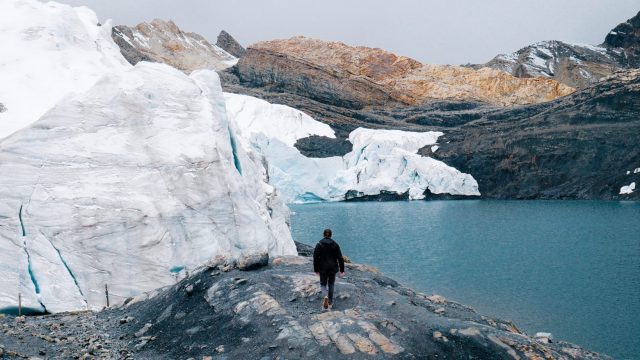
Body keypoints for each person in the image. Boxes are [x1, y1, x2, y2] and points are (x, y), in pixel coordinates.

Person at [313, 228, 345, 310]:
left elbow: (315, 257)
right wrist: (342, 270)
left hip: (322, 268)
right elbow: (340, 258)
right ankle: (330, 302)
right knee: (331, 284)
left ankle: (325, 296)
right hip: (333, 268)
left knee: (323, 284)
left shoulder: (319, 244)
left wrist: (316, 269)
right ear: (331, 235)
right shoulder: (335, 244)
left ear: (323, 235)